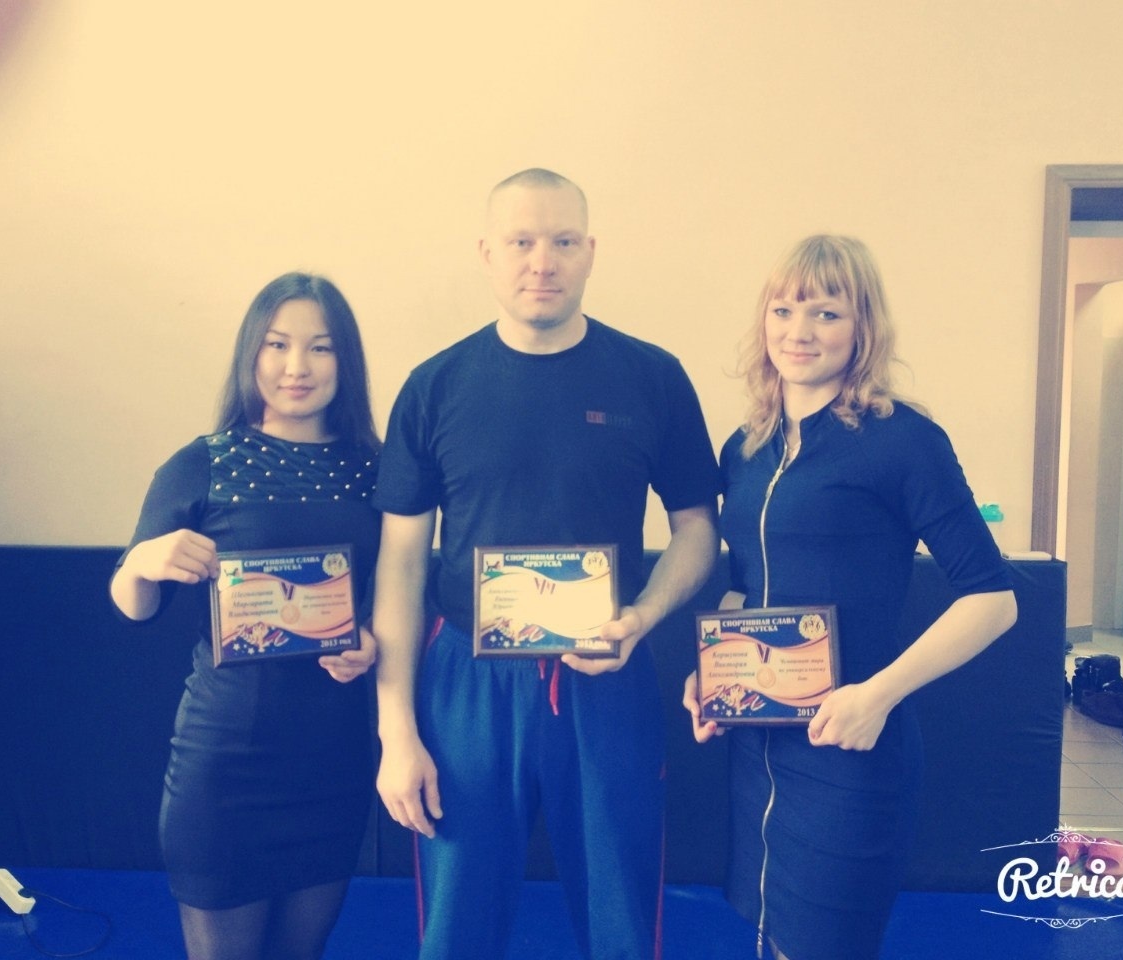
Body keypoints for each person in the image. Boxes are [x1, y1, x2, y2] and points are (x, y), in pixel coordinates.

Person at [372, 168, 720, 960]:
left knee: (621, 924)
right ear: (487, 254)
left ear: (590, 251)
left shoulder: (652, 376)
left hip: (606, 672)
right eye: (522, 242)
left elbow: (698, 531)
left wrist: (644, 617)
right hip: (465, 684)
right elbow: (400, 566)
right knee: (457, 930)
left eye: (563, 241)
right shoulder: (434, 387)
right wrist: (396, 732)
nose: (542, 261)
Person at [683, 235, 1018, 960]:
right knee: (768, 935)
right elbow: (744, 585)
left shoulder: (904, 440)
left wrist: (877, 696)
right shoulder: (745, 447)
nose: (799, 331)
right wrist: (713, 678)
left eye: (826, 313)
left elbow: (993, 600)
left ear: (863, 326)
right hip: (756, 743)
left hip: (850, 748)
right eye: (783, 310)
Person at [110, 273, 381, 960]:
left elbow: (397, 596)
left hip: (334, 762)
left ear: (345, 360)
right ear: (250, 353)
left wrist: (374, 641)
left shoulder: (377, 469)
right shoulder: (202, 463)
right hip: (225, 762)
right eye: (277, 344)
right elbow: (133, 606)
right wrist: (142, 562)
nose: (297, 367)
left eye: (320, 347)